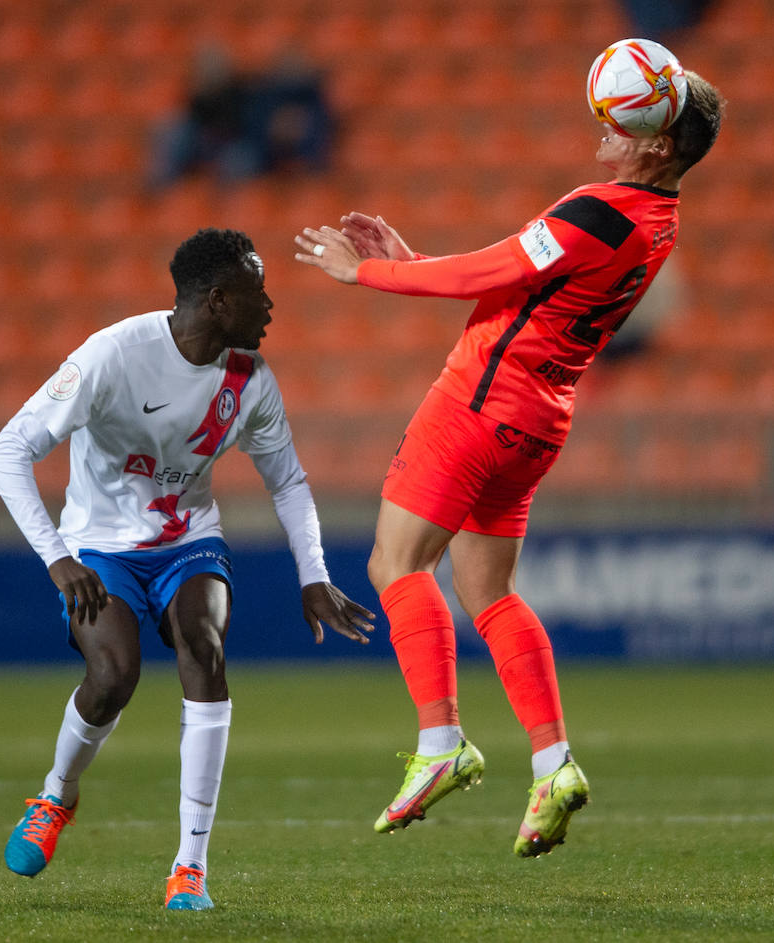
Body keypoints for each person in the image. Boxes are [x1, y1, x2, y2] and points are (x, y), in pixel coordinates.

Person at [294, 65, 725, 857]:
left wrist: (372, 272)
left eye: (622, 123)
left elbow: (491, 271)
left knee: (396, 565)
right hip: (539, 418)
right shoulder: (657, 218)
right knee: (488, 589)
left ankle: (441, 741)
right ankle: (553, 763)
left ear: (658, 145)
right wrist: (414, 255)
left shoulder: (600, 209)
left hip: (478, 402)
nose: (604, 126)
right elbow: (524, 289)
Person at [0, 228, 374, 909]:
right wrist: (57, 557)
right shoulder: (112, 356)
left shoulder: (249, 381)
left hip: (189, 539)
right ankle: (57, 794)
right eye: (259, 293)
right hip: (100, 546)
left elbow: (287, 481)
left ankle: (189, 867)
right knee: (112, 675)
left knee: (206, 647)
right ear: (218, 301)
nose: (271, 306)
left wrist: (312, 573)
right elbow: (8, 450)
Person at [149, 43, 334, 189]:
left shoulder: (308, 100)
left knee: (237, 162)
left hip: (254, 149)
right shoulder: (202, 96)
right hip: (224, 142)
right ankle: (167, 181)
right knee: (174, 132)